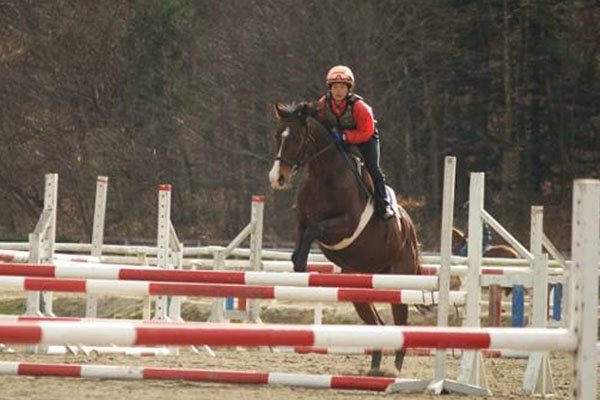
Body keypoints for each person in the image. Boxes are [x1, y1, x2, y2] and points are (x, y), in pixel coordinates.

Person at [315, 65, 394, 219]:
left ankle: (384, 204)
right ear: (330, 89)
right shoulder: (323, 104)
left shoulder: (360, 107)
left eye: (342, 87)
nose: (338, 91)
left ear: (348, 89)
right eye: (335, 87)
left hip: (366, 140)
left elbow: (366, 131)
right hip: (340, 138)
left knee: (372, 168)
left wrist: (345, 136)